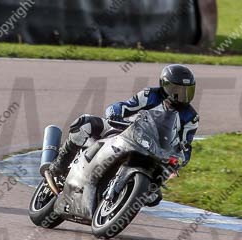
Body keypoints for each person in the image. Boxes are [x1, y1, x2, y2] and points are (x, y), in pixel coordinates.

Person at [49, 64, 199, 199]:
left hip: (156, 150)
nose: (182, 95)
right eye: (177, 90)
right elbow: (124, 106)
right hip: (125, 130)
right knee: (85, 124)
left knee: (154, 194)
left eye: (187, 91)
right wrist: (115, 113)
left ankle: (130, 191)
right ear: (164, 85)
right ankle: (59, 166)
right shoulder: (150, 95)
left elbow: (186, 144)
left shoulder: (191, 117)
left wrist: (181, 159)